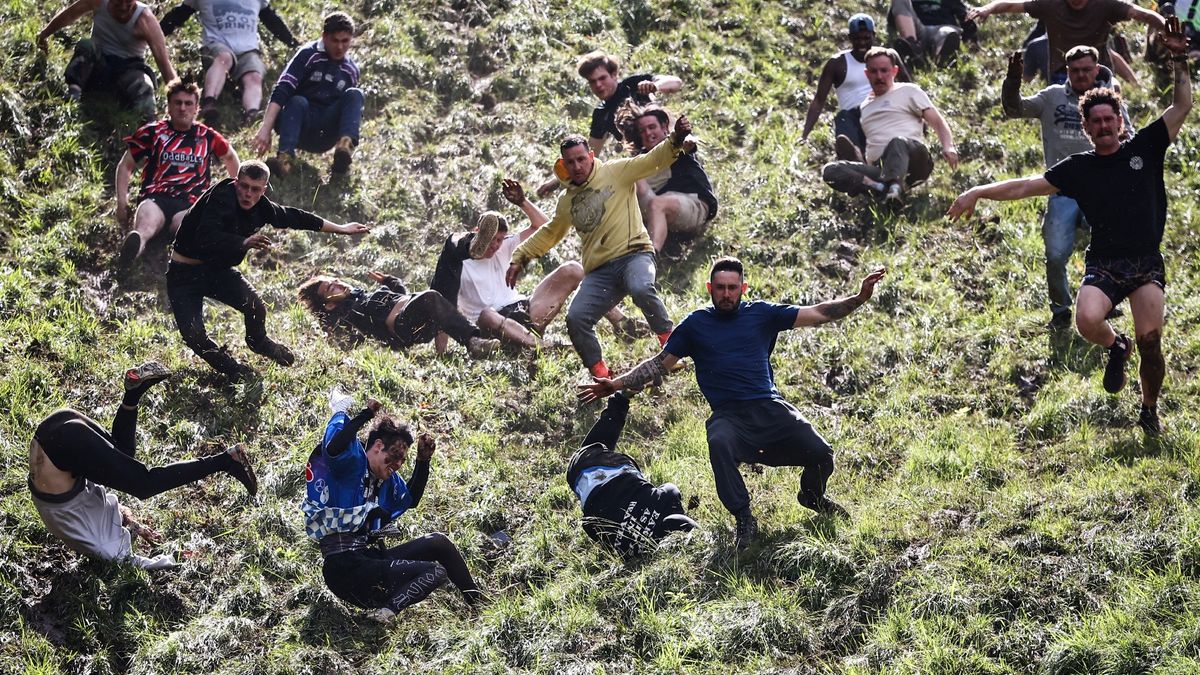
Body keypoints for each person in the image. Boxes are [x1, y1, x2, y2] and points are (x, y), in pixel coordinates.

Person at [947, 17, 1191, 435]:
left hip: (1146, 262)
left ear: (1119, 120)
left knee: (1153, 345)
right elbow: (1026, 186)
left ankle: (1149, 409)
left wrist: (1179, 58)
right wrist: (979, 190)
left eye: (1108, 120)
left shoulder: (1146, 147)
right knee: (1086, 321)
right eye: (1094, 122)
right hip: (1106, 262)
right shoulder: (1080, 168)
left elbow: (1181, 105)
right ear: (1086, 127)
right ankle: (1117, 346)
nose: (1102, 126)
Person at [579, 258, 886, 549]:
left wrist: (859, 297)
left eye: (732, 288)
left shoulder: (763, 314)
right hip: (730, 416)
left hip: (769, 407)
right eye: (721, 288)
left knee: (821, 454)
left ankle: (812, 497)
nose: (726, 294)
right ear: (710, 289)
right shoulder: (696, 324)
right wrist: (615, 385)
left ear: (743, 288)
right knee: (719, 438)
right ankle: (743, 517)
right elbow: (660, 363)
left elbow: (819, 313)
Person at [506, 116, 697, 379]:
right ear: (563, 164)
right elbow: (551, 232)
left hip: (634, 255)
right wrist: (520, 256)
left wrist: (675, 139)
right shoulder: (567, 200)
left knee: (641, 287)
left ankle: (671, 350)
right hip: (600, 272)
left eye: (581, 159)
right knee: (576, 318)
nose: (577, 166)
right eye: (570, 162)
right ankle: (601, 375)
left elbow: (653, 159)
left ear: (591, 155)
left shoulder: (616, 171)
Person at [28, 362, 257, 569]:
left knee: (144, 485)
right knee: (124, 454)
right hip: (55, 427)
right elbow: (108, 507)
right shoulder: (78, 524)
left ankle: (226, 461)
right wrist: (134, 526)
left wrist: (172, 558)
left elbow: (133, 561)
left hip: (64, 446)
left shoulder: (103, 546)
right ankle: (132, 395)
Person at [167, 160, 370, 379]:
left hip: (216, 271)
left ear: (264, 190)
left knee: (255, 307)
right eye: (243, 186)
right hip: (183, 274)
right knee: (194, 335)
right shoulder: (221, 197)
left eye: (255, 189)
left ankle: (259, 343)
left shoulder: (262, 207)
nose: (247, 194)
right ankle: (235, 371)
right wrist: (243, 242)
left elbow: (294, 216)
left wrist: (340, 229)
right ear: (236, 183)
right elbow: (205, 236)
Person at [303, 394, 483, 622]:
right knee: (434, 572)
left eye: (402, 461)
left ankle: (479, 604)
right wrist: (365, 414)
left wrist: (423, 462)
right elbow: (334, 446)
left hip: (368, 560)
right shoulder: (351, 462)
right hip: (343, 568)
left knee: (439, 543)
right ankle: (386, 612)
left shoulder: (385, 480)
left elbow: (410, 500)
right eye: (395, 456)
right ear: (378, 446)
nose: (397, 465)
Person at [1002, 45, 1128, 329]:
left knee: (1110, 246)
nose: (1081, 75)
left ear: (1097, 69)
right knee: (1056, 254)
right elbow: (1014, 109)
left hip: (1103, 189)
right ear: (1066, 70)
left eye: (1087, 69)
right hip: (1063, 189)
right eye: (1075, 70)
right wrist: (1012, 81)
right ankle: (1060, 311)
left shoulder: (1109, 100)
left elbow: (1127, 135)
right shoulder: (1053, 96)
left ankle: (1104, 303)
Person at [429, 180, 633, 350]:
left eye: (499, 240)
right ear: (477, 232)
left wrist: (522, 201)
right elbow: (444, 307)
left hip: (524, 312)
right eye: (490, 239)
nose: (494, 245)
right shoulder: (458, 262)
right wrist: (441, 354)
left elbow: (544, 228)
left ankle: (620, 322)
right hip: (490, 327)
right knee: (487, 315)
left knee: (573, 269)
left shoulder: (505, 247)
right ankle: (544, 347)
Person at [115, 77, 240, 270]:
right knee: (146, 226)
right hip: (156, 197)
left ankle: (187, 256)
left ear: (196, 108)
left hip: (190, 202)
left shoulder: (207, 137)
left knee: (187, 226)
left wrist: (236, 197)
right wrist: (121, 203)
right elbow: (125, 165)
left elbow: (231, 158)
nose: (183, 108)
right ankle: (131, 253)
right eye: (178, 103)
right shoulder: (153, 132)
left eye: (188, 103)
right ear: (169, 106)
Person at [566, 391, 698, 559]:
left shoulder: (665, 500)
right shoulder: (633, 553)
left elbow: (671, 489)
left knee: (592, 450)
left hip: (602, 467)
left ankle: (620, 400)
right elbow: (591, 528)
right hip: (583, 489)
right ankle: (620, 400)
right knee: (590, 455)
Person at [535, 50, 682, 197]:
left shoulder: (631, 86)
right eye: (592, 81)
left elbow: (676, 82)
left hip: (671, 148)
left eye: (602, 78)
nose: (598, 85)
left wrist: (655, 86)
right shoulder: (601, 114)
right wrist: (554, 183)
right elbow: (589, 157)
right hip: (646, 164)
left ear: (614, 75)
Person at [821, 47, 959, 202]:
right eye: (873, 71)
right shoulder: (866, 106)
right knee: (831, 170)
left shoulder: (909, 91)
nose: (879, 76)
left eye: (884, 70)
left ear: (894, 71)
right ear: (867, 73)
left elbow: (937, 121)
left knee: (897, 142)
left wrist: (948, 146)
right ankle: (880, 188)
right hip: (881, 169)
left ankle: (894, 190)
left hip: (914, 160)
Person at [250, 11, 363, 175]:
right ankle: (285, 160)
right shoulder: (308, 54)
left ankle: (344, 150)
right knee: (298, 101)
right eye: (335, 41)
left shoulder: (351, 70)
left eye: (345, 41)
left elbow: (349, 110)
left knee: (355, 94)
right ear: (324, 37)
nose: (340, 47)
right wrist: (266, 128)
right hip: (297, 122)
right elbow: (282, 88)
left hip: (324, 133)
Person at [158, 0, 300, 126]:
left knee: (254, 76)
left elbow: (272, 21)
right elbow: (178, 15)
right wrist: (156, 34)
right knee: (224, 58)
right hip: (216, 45)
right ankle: (209, 102)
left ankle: (253, 114)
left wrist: (293, 44)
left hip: (248, 49)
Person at [297, 271, 501, 358]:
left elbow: (401, 296)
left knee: (444, 286)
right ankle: (473, 342)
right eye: (330, 289)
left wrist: (390, 282)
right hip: (405, 327)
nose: (337, 284)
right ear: (329, 305)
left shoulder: (364, 295)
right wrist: (331, 323)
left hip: (416, 315)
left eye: (334, 280)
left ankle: (449, 351)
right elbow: (344, 340)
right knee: (431, 297)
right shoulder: (347, 314)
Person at [36, 0, 176, 121]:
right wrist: (44, 34)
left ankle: (150, 124)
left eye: (128, 3)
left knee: (144, 83)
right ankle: (74, 92)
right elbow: (69, 15)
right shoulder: (98, 2)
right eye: (118, 2)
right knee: (86, 45)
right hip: (98, 64)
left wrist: (179, 97)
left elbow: (164, 64)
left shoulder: (145, 20)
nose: (122, 6)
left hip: (128, 69)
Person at [967, 0, 1166, 84]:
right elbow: (1014, 5)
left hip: (1100, 73)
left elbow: (1142, 14)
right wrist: (988, 8)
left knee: (1108, 118)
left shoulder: (1106, 4)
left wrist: (1166, 29)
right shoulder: (1051, 4)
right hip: (1063, 74)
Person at [802, 14, 912, 159]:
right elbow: (819, 100)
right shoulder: (837, 63)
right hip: (854, 117)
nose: (862, 43)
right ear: (849, 38)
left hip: (883, 111)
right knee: (843, 117)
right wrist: (805, 134)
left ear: (874, 36)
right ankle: (854, 154)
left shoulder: (887, 57)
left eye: (866, 38)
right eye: (857, 39)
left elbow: (908, 88)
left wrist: (919, 119)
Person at [614, 103, 719, 252]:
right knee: (630, 178)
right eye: (642, 131)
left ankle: (651, 254)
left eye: (652, 127)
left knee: (658, 203)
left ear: (664, 127)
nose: (648, 133)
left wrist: (683, 138)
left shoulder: (674, 146)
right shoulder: (640, 160)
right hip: (656, 208)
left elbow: (686, 144)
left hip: (695, 207)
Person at [889, 0, 978, 68]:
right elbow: (894, 16)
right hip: (919, 30)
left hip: (943, 29)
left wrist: (969, 40)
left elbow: (966, 17)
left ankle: (941, 57)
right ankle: (912, 49)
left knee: (949, 34)